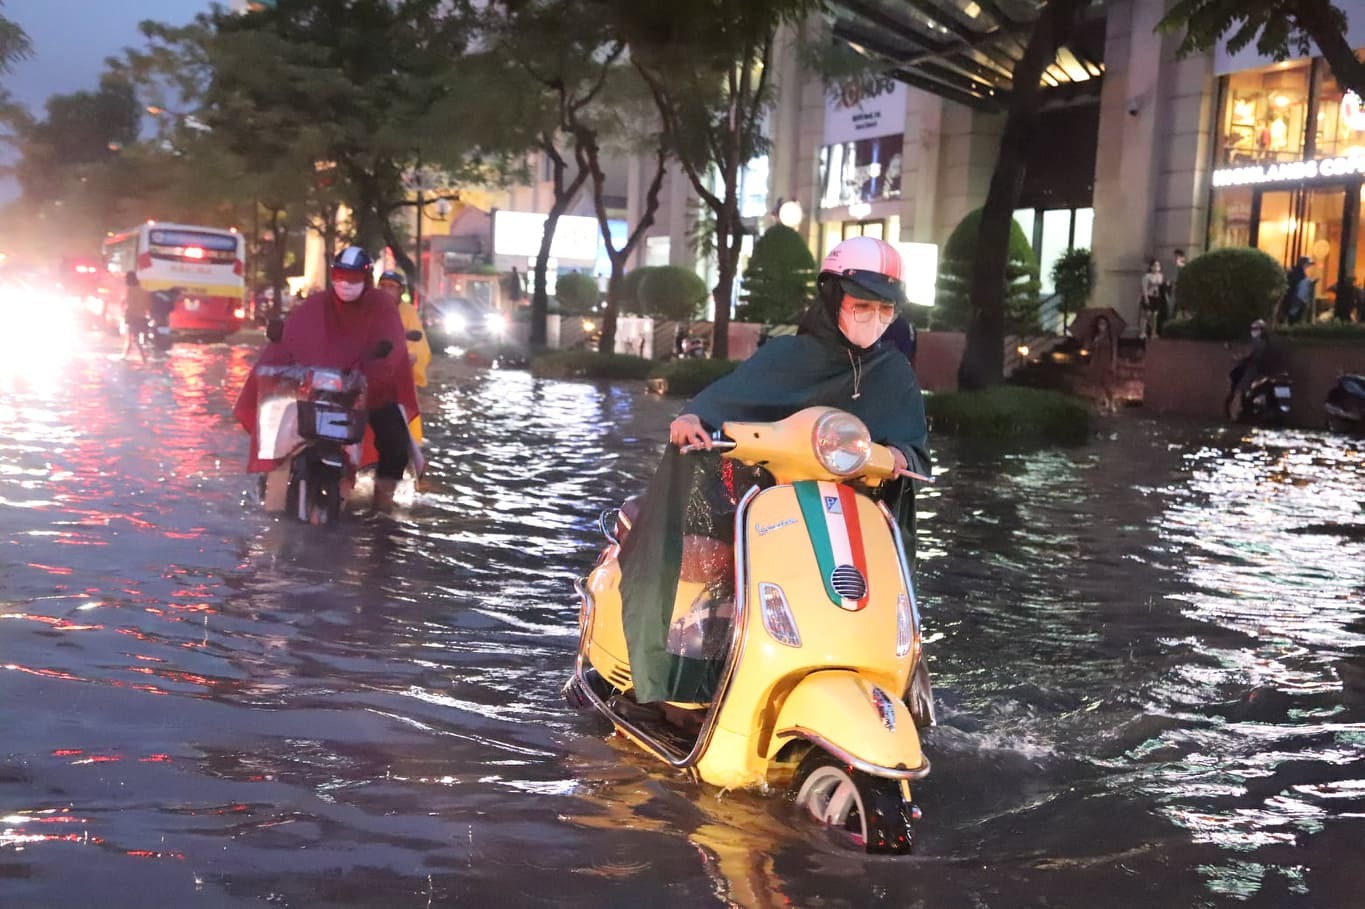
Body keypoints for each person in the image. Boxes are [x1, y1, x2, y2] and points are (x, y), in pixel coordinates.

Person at [622, 236, 930, 705]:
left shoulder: (893, 372)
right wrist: (690, 420)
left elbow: (912, 443)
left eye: (886, 309)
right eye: (863, 304)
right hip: (767, 500)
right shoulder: (788, 357)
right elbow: (723, 401)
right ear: (832, 297)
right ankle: (683, 682)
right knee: (716, 567)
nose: (876, 318)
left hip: (850, 515)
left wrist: (904, 457)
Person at [233, 246, 419, 513]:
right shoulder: (316, 304)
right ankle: (272, 500)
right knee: (281, 431)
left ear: (365, 278)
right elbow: (292, 336)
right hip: (317, 389)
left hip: (368, 388)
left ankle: (383, 506)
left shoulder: (381, 306)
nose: (346, 282)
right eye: (340, 275)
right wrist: (279, 357)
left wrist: (378, 366)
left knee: (394, 440)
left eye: (353, 277)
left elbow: (392, 344)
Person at [377, 269, 431, 389]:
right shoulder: (370, 309)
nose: (386, 290)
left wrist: (410, 357)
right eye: (382, 286)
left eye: (391, 287)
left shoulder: (408, 312)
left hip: (399, 374)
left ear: (401, 290)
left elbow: (419, 347)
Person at [1225, 318, 1281, 420]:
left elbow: (1248, 354)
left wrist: (1237, 357)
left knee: (1239, 390)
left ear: (1262, 330)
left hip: (1255, 369)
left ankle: (1235, 413)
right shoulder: (1267, 342)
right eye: (1252, 328)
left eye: (1256, 329)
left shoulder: (1258, 342)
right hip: (1263, 370)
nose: (1253, 331)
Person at [1085, 315, 1118, 414]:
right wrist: (1094, 342)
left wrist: (1113, 363)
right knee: (1097, 386)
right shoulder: (1095, 336)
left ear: (1107, 325)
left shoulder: (1111, 336)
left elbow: (1114, 350)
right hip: (1096, 362)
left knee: (1107, 385)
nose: (1101, 326)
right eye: (1100, 323)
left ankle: (1111, 402)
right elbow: (1088, 349)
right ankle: (1098, 406)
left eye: (1103, 323)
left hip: (1106, 362)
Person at [121, 271, 149, 362]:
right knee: (135, 337)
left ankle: (139, 356)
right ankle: (129, 355)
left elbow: (127, 303)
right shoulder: (144, 290)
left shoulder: (130, 290)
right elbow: (147, 305)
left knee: (131, 337)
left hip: (132, 317)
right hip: (142, 317)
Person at [1139, 258, 1168, 339]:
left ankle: (1153, 332)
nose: (1156, 267)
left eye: (1158, 265)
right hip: (1149, 296)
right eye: (1155, 265)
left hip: (1157, 297)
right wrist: (1145, 298)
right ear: (1151, 267)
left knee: (1155, 315)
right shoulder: (1147, 276)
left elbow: (1162, 287)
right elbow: (1144, 288)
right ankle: (1142, 332)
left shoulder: (1161, 276)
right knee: (1146, 314)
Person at [1282, 256, 1313, 324]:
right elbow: (1301, 293)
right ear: (1304, 264)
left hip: (1288, 300)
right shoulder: (1301, 276)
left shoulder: (1292, 272)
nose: (1309, 266)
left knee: (1288, 319)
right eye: (1308, 264)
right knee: (1294, 320)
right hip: (1295, 301)